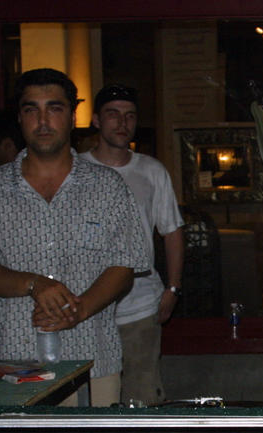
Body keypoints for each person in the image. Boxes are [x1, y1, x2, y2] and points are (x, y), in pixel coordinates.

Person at [0, 68, 148, 406]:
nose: (43, 121)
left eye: (55, 108)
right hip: (16, 365)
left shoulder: (107, 187)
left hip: (93, 360)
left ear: (72, 116)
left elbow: (124, 266)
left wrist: (79, 310)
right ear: (20, 118)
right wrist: (34, 284)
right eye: (32, 110)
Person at [80, 84, 185, 405]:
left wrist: (173, 288)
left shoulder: (151, 170)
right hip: (87, 304)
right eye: (113, 114)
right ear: (96, 120)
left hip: (140, 303)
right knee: (95, 399)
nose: (122, 123)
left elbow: (172, 231)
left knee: (142, 397)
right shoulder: (76, 171)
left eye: (130, 116)